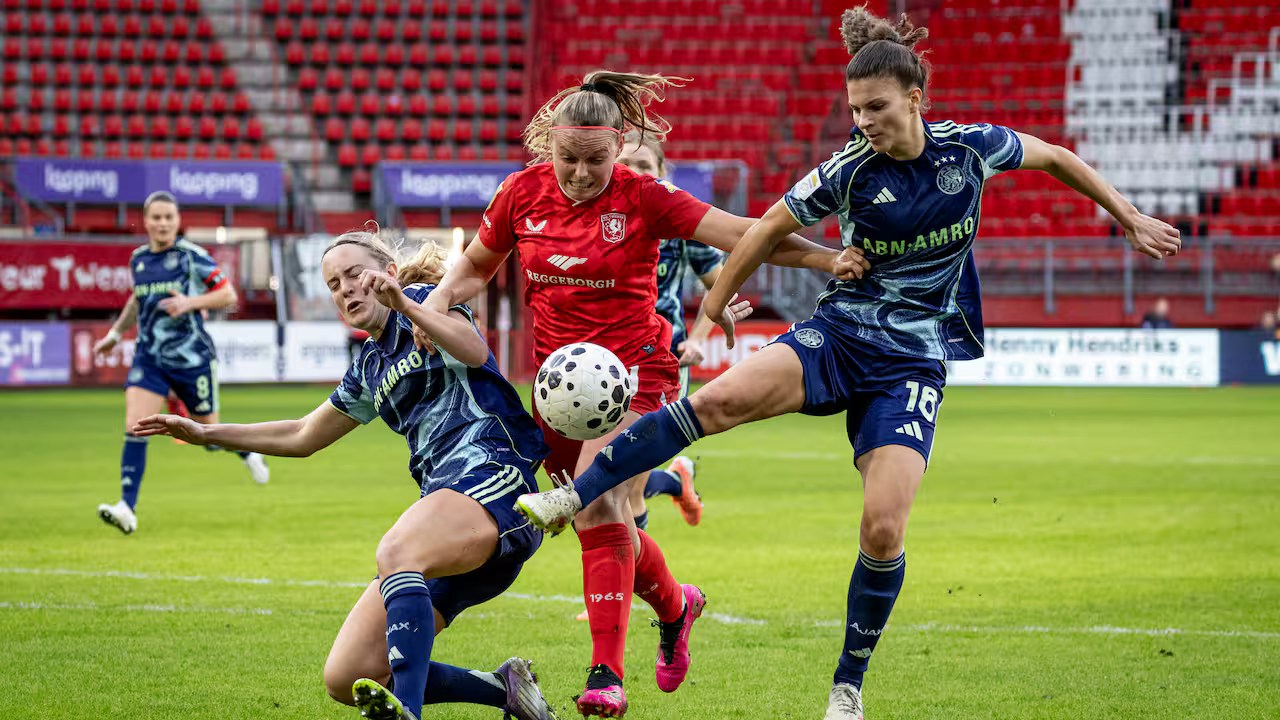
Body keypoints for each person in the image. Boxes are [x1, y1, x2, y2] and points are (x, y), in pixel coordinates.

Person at [513, 9, 1182, 720]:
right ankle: (570, 500)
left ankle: (847, 687)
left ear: (915, 98)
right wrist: (709, 314)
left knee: (883, 529)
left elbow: (1054, 156)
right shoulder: (848, 169)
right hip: (838, 337)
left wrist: (1129, 216)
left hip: (911, 365)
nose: (863, 123)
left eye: (876, 108)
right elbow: (765, 230)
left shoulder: (971, 150)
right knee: (712, 404)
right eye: (855, 110)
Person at [424, 70, 869, 717]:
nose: (581, 173)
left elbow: (742, 233)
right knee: (603, 522)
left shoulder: (644, 196)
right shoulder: (521, 193)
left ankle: (605, 675)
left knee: (597, 503)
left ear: (618, 145)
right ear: (550, 144)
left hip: (636, 375)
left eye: (595, 160)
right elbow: (473, 266)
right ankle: (675, 604)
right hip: (557, 389)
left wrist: (828, 259)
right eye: (569, 158)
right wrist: (438, 301)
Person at [131, 231, 557, 720]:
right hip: (449, 520)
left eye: (355, 274)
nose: (346, 289)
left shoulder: (426, 300)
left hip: (496, 481)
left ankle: (409, 712)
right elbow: (302, 434)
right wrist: (207, 433)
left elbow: (475, 352)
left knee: (396, 551)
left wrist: (409, 306)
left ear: (388, 274)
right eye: (334, 284)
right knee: (349, 675)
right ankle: (503, 688)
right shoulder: (369, 367)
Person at [92, 191, 270, 535]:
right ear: (146, 222)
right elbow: (137, 301)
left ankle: (248, 452)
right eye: (156, 217)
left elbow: (228, 295)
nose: (162, 224)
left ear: (177, 221)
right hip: (150, 357)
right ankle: (127, 507)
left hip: (191, 359)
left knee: (207, 435)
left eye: (168, 218)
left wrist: (189, 302)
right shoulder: (139, 260)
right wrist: (115, 334)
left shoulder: (192, 257)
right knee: (136, 425)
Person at [619, 130, 719, 531]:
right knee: (609, 476)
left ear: (662, 173)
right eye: (625, 163)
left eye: (644, 165)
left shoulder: (678, 221)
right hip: (605, 360)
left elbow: (721, 286)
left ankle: (629, 571)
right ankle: (678, 481)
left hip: (662, 358)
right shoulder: (592, 221)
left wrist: (697, 340)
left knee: (626, 484)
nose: (634, 171)